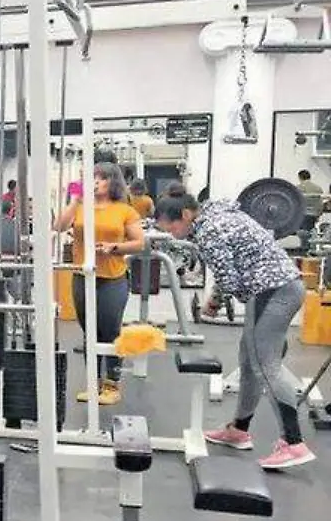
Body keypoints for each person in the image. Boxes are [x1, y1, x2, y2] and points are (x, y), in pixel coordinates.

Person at [156, 188, 316, 470]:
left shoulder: (209, 230)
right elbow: (231, 270)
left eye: (172, 227)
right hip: (277, 288)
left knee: (266, 365)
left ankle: (294, 443)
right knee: (250, 360)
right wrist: (218, 298)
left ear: (185, 214)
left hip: (272, 291)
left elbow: (228, 279)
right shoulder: (219, 216)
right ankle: (239, 429)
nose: (172, 234)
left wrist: (214, 302)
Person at [54, 162, 145, 405]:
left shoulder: (124, 210)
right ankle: (93, 384)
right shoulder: (80, 206)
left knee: (110, 331)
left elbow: (139, 243)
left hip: (112, 278)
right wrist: (75, 198)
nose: (95, 181)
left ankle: (112, 384)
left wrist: (114, 247)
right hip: (82, 275)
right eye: (92, 177)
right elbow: (59, 226)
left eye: (101, 177)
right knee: (89, 331)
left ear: (112, 181)